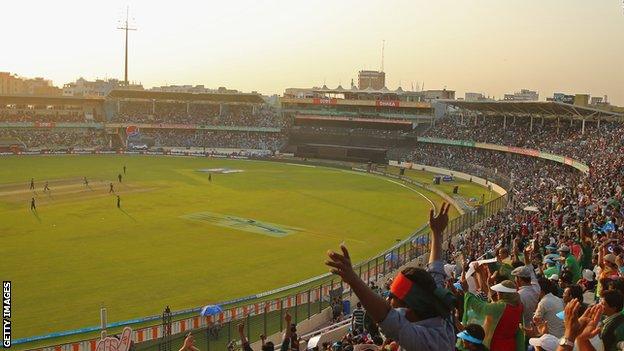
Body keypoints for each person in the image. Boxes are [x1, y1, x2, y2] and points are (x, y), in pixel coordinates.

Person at [325, 203, 456, 351]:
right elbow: (435, 271)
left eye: (393, 297)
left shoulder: (427, 342)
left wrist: (353, 280)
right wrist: (437, 233)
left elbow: (386, 316)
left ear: (410, 308)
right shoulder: (433, 304)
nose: (387, 300)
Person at [462, 279, 523, 351]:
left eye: (499, 292)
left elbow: (480, 307)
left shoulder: (501, 307)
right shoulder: (519, 306)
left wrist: (466, 292)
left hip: (497, 345)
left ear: (504, 294)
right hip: (511, 344)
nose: (497, 293)